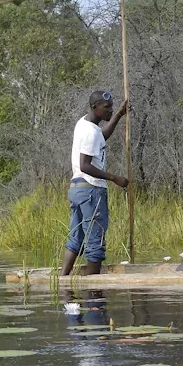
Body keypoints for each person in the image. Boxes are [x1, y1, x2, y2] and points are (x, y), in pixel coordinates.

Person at [60, 90, 130, 276]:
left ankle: (63, 280)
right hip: (91, 191)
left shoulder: (85, 124)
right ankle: (94, 296)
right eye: (106, 108)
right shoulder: (90, 132)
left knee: (78, 237)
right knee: (95, 241)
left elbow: (102, 137)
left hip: (77, 189)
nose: (110, 110)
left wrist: (119, 115)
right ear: (94, 107)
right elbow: (85, 165)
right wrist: (115, 178)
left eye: (112, 107)